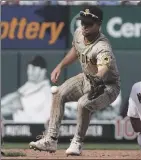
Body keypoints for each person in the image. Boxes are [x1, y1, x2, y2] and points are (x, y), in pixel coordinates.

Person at [29, 6, 120, 156]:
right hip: (86, 78)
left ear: (99, 24)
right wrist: (61, 65)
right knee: (58, 93)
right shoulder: (79, 33)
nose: (84, 26)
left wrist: (97, 78)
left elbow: (103, 68)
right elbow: (76, 50)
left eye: (89, 23)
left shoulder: (102, 46)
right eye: (83, 22)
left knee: (83, 104)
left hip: (107, 86)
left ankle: (77, 142)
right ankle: (50, 139)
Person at [1, 55, 52, 123]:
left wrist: (19, 94)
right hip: (22, 130)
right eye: (29, 69)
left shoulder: (46, 91)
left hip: (37, 131)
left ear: (43, 71)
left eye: (33, 69)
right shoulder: (29, 86)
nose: (30, 72)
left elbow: (16, 105)